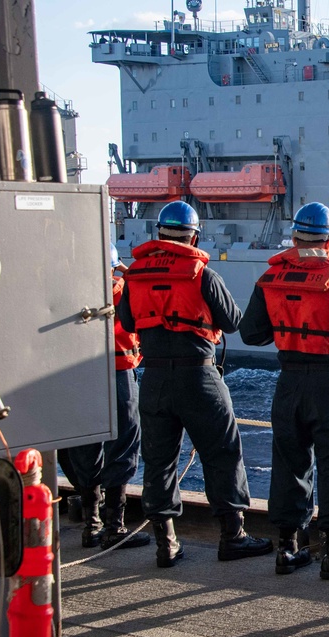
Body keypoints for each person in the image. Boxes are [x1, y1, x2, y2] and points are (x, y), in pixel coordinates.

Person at [118, 201, 272, 567]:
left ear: (158, 235)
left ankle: (166, 544)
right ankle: (232, 537)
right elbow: (232, 322)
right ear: (195, 235)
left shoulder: (134, 275)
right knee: (222, 454)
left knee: (158, 461)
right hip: (198, 376)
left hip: (153, 378)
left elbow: (126, 321)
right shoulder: (201, 274)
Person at [239, 202, 329, 579]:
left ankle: (288, 549)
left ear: (294, 237)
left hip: (288, 382)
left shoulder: (269, 280)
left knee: (289, 462)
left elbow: (251, 334)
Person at [58, 244, 151, 551]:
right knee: (123, 446)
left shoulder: (69, 293)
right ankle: (115, 526)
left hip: (80, 376)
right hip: (120, 374)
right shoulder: (126, 289)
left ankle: (91, 524)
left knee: (84, 446)